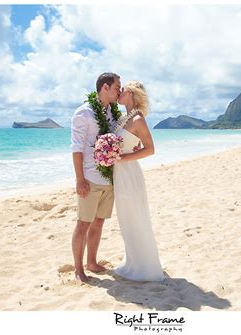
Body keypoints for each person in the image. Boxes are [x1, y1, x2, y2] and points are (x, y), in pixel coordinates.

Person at [70, 73, 121, 282]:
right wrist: (79, 179)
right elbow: (77, 148)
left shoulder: (113, 113)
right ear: (106, 87)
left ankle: (92, 262)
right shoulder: (84, 113)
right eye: (118, 87)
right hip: (90, 177)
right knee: (83, 223)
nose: (120, 90)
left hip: (108, 178)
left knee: (99, 222)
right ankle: (78, 269)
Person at [113, 81, 165, 281]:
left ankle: (146, 267)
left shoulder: (137, 119)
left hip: (129, 173)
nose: (119, 91)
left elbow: (150, 149)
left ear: (132, 94)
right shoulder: (123, 118)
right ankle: (133, 261)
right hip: (120, 173)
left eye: (123, 89)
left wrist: (123, 159)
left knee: (136, 216)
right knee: (126, 219)